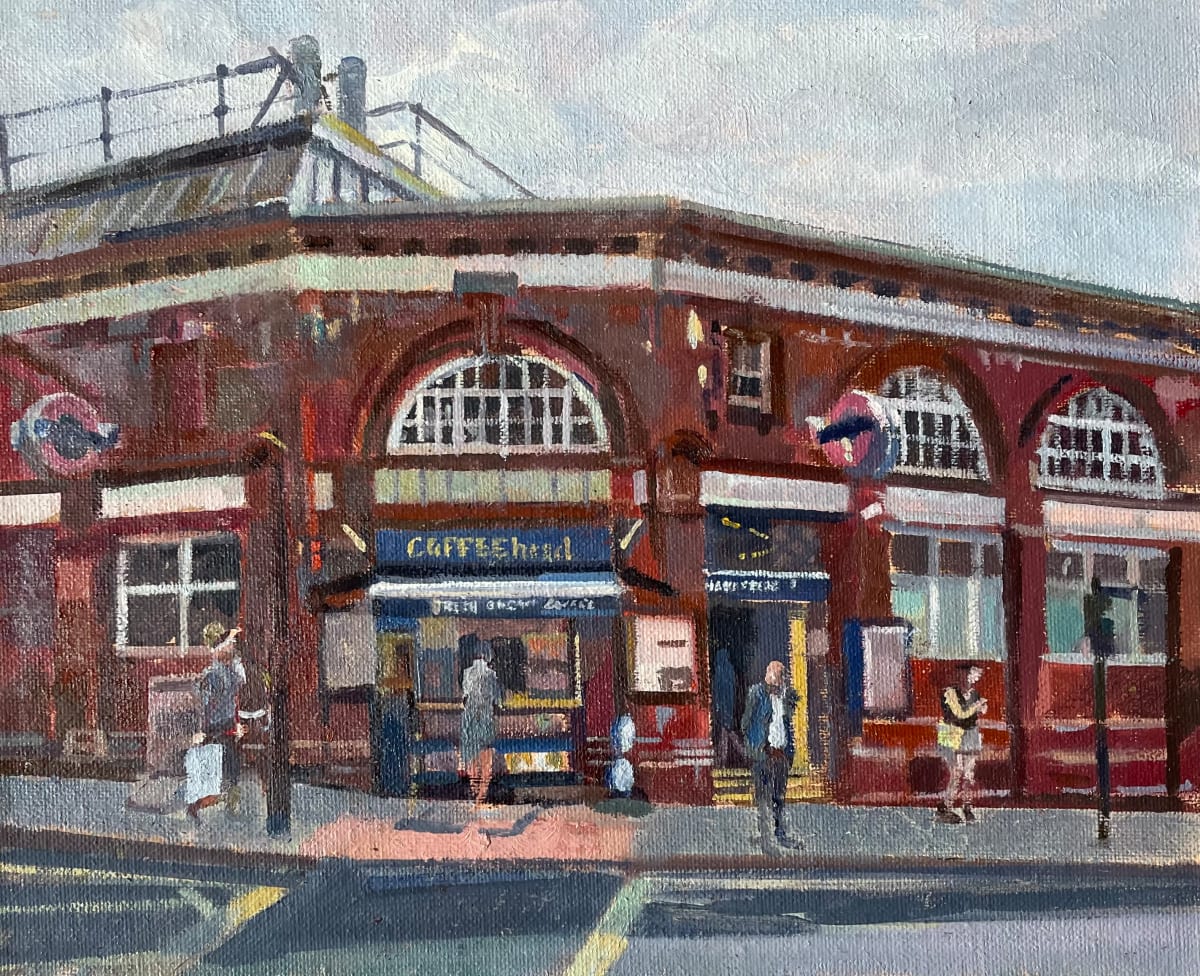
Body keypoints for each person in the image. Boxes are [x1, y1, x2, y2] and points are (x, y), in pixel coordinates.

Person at [741, 660, 803, 851]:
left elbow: (796, 700)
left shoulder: (786, 696)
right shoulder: (756, 693)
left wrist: (785, 692)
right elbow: (745, 723)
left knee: (778, 797)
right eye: (777, 674)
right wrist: (754, 746)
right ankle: (765, 836)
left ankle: (780, 833)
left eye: (783, 675)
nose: (779, 678)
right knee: (762, 798)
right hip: (763, 753)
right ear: (767, 674)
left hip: (781, 754)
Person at [188, 622, 246, 818]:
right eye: (227, 642)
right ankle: (198, 807)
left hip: (228, 725)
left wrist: (237, 723)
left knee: (232, 773)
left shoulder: (233, 671)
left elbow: (238, 695)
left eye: (231, 642)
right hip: (214, 729)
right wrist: (201, 730)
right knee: (217, 775)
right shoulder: (212, 675)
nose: (232, 645)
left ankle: (230, 809)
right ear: (216, 649)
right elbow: (203, 706)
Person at [936, 663, 987, 824]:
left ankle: (967, 807)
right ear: (960, 675)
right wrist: (977, 707)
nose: (971, 679)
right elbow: (959, 714)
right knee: (956, 772)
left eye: (975, 676)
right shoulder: (950, 693)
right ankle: (945, 807)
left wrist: (981, 707)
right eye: (969, 675)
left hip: (971, 734)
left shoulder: (974, 694)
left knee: (969, 774)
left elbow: (982, 711)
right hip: (953, 735)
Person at [460, 640, 503, 807]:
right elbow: (498, 701)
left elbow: (465, 695)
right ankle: (481, 797)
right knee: (486, 759)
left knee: (472, 757)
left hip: (469, 720)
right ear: (488, 656)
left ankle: (474, 789)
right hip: (485, 719)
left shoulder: (467, 673)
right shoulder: (491, 675)